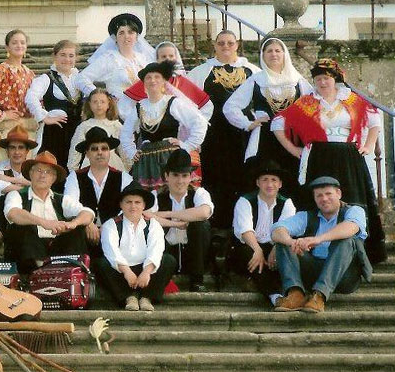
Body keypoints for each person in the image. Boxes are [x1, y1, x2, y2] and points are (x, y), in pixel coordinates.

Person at [272, 58, 385, 263]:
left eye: (326, 78)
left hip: (348, 157)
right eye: (318, 79)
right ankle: (317, 248)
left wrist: (368, 145)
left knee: (350, 201)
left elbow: (374, 120)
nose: (322, 83)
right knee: (321, 200)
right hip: (319, 157)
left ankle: (358, 252)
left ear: (335, 79)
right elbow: (278, 122)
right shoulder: (307, 102)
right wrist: (294, 149)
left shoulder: (350, 99)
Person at [187, 30, 260, 230]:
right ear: (215, 46)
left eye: (230, 43)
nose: (225, 46)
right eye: (221, 43)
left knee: (244, 177)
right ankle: (218, 227)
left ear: (237, 44)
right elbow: (186, 103)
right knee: (215, 179)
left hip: (244, 134)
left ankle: (244, 227)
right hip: (214, 135)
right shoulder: (201, 72)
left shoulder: (252, 70)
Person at [271, 176, 373, 313]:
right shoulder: (307, 216)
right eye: (319, 195)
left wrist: (318, 239)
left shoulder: (354, 211)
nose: (324, 199)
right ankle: (295, 294)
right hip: (315, 271)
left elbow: (351, 227)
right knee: (283, 243)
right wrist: (293, 242)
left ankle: (319, 296)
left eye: (328, 194)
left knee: (348, 240)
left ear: (339, 194)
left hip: (345, 275)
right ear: (314, 199)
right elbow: (277, 230)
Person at [224, 38, 312, 191]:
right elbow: (230, 107)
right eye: (269, 51)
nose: (274, 54)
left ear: (284, 54)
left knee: (294, 179)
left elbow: (314, 105)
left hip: (294, 137)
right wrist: (247, 123)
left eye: (278, 50)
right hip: (265, 138)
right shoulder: (256, 80)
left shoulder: (297, 80)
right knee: (267, 179)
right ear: (263, 55)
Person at [4, 151, 94, 278]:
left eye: (48, 172)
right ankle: (40, 274)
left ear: (54, 178)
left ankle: (75, 277)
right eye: (38, 170)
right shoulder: (16, 195)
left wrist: (72, 224)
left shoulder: (61, 199)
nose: (42, 175)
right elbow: (13, 213)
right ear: (30, 173)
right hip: (27, 255)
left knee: (77, 230)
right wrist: (44, 222)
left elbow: (87, 212)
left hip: (56, 250)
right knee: (21, 227)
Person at [120, 62, 207, 191]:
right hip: (147, 161)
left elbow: (199, 122)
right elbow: (125, 133)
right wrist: (131, 151)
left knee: (172, 194)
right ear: (144, 83)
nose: (152, 80)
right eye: (148, 77)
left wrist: (186, 145)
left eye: (157, 77)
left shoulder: (173, 103)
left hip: (170, 158)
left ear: (164, 81)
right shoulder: (139, 107)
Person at [94, 183, 176, 311]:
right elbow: (111, 251)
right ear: (121, 204)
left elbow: (156, 249)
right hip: (121, 272)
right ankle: (129, 297)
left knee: (168, 260)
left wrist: (147, 272)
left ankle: (146, 298)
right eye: (128, 202)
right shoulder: (111, 225)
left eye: (137, 202)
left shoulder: (153, 224)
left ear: (143, 206)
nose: (133, 206)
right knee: (101, 264)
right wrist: (126, 271)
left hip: (146, 272)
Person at [229, 160, 296, 306]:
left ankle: (287, 290)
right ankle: (275, 296)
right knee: (251, 256)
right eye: (265, 180)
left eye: (274, 180)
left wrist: (276, 248)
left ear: (280, 184)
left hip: (273, 245)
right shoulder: (245, 201)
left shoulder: (287, 203)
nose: (269, 184)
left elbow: (286, 230)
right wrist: (257, 250)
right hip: (248, 245)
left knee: (284, 253)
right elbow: (245, 230)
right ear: (258, 183)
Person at [148, 149, 214, 292]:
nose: (180, 181)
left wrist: (167, 214)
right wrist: (175, 223)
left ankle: (197, 281)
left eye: (184, 176)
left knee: (201, 225)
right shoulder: (155, 195)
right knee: (151, 226)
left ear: (191, 177)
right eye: (175, 175)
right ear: (167, 176)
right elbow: (146, 216)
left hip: (193, 255)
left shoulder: (199, 193)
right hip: (167, 253)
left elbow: (204, 212)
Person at [64, 128, 133, 258]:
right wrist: (87, 222)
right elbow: (68, 205)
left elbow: (131, 207)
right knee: (74, 235)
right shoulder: (75, 176)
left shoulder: (124, 177)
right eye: (94, 149)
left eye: (104, 148)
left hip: (116, 233)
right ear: (87, 153)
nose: (100, 152)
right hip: (85, 235)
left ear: (110, 152)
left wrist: (108, 227)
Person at [75, 13, 155, 120]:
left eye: (130, 32)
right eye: (121, 33)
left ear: (136, 37)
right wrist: (103, 97)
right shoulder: (109, 59)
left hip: (145, 113)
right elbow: (81, 78)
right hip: (119, 114)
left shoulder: (144, 59)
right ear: (115, 38)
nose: (126, 36)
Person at [0, 29, 37, 162]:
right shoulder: (1, 70)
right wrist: (1, 114)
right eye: (14, 42)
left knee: (25, 171)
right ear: (7, 47)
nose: (19, 45)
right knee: (4, 168)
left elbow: (37, 100)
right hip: (7, 130)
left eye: (22, 42)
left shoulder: (29, 73)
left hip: (27, 130)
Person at [25, 39, 81, 165]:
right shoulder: (46, 79)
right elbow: (31, 97)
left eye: (71, 55)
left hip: (77, 133)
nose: (67, 59)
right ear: (54, 56)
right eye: (63, 55)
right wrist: (44, 117)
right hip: (55, 135)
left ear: (76, 58)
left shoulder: (81, 78)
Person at [124, 41, 213, 119]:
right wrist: (139, 124)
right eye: (163, 56)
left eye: (171, 56)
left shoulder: (182, 82)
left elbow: (207, 105)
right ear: (157, 59)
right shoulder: (147, 83)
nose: (167, 59)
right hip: (153, 132)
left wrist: (196, 125)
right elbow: (124, 105)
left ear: (176, 58)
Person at [0, 124, 35, 231]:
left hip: (31, 217)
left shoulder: (35, 169)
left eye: (21, 148)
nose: (17, 152)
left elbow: (43, 188)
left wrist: (11, 180)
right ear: (7, 151)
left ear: (27, 151)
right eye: (12, 148)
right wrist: (29, 186)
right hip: (4, 218)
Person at [67, 86, 126, 172]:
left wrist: (126, 169)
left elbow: (124, 151)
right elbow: (74, 151)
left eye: (102, 102)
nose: (99, 105)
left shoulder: (116, 125)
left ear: (108, 104)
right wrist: (74, 171)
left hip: (113, 164)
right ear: (89, 104)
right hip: (90, 164)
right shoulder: (84, 126)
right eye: (95, 102)